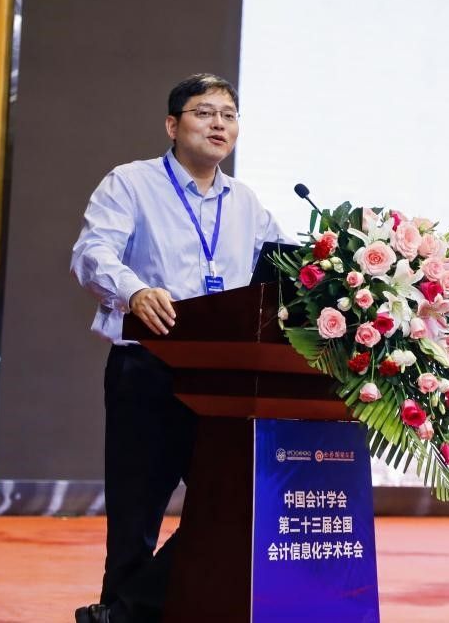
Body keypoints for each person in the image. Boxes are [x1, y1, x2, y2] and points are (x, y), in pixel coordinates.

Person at [70, 74, 292, 623]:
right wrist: (134, 291)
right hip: (149, 368)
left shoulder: (245, 202)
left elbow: (285, 265)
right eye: (205, 112)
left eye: (229, 115)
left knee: (232, 503)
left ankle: (123, 614)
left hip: (222, 378)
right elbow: (92, 252)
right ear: (173, 125)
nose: (219, 124)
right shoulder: (132, 183)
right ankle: (121, 607)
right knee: (136, 516)